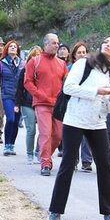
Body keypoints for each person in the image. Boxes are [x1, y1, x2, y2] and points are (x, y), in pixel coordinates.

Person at [47, 35, 110, 220]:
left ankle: (108, 211)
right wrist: (97, 91)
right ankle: (55, 212)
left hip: (97, 122)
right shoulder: (84, 64)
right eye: (106, 42)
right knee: (68, 164)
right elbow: (68, 88)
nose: (107, 44)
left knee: (104, 165)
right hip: (75, 119)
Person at [24, 33, 67, 176]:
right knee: (45, 133)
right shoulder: (34, 61)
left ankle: (45, 154)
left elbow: (67, 83)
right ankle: (45, 163)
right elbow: (27, 82)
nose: (57, 46)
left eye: (57, 43)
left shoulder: (62, 63)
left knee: (58, 134)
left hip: (58, 104)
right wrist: (40, 95)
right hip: (42, 103)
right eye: (54, 43)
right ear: (46, 44)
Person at [0, 40, 23, 155]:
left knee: (16, 122)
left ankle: (12, 145)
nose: (13, 48)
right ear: (7, 49)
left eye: (15, 46)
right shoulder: (1, 64)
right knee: (11, 119)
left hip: (19, 97)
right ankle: (7, 145)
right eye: (10, 46)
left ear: (17, 50)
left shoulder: (22, 64)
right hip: (7, 95)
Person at [68, 42, 94, 172]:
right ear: (74, 55)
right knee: (75, 136)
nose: (82, 55)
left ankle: (86, 161)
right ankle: (73, 160)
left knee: (86, 135)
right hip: (73, 106)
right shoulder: (69, 69)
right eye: (79, 53)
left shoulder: (92, 69)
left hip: (88, 105)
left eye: (84, 52)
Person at [15, 46, 41, 164]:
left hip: (41, 103)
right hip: (27, 103)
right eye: (33, 56)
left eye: (38, 56)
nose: (35, 58)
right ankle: (29, 154)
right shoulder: (24, 71)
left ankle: (38, 152)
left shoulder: (45, 71)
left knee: (44, 131)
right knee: (31, 130)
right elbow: (19, 88)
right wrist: (17, 104)